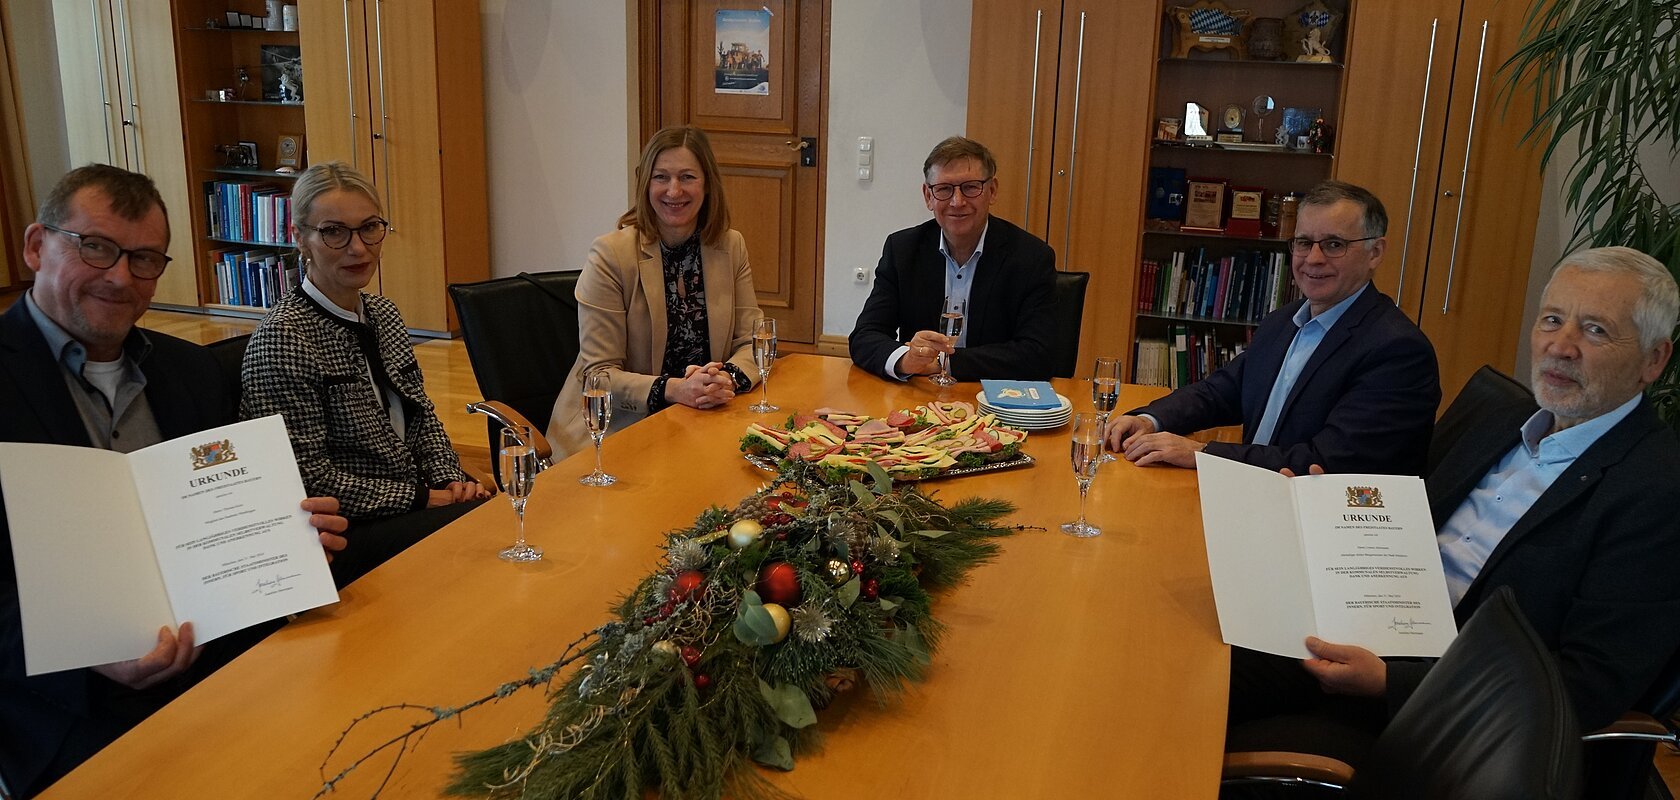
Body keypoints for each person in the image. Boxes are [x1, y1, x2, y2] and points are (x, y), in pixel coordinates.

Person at [1229, 247, 1680, 781]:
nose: (1560, 347)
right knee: (1181, 654)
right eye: (1552, 320)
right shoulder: (1504, 417)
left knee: (1200, 735)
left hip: (1450, 722)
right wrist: (1323, 509)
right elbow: (1409, 519)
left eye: (1596, 331)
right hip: (1364, 624)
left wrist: (1388, 683)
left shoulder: (1657, 490)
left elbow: (1585, 686)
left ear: (1654, 360)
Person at [0, 164, 349, 798]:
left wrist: (287, 535)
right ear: (35, 245)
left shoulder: (194, 370)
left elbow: (222, 514)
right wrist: (88, 656)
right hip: (67, 703)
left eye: (144, 259)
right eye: (96, 247)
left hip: (223, 660)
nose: (119, 277)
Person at [241, 162, 489, 586]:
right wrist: (425, 497)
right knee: (482, 534)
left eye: (369, 227)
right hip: (344, 529)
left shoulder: (383, 314)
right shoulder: (282, 339)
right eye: (334, 232)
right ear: (299, 238)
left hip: (413, 491)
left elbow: (420, 415)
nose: (358, 248)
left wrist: (449, 474)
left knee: (493, 510)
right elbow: (307, 477)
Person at [1105, 181, 1439, 475]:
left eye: (1334, 244)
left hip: (1321, 523)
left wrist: (1203, 453)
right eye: (1304, 242)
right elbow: (1222, 391)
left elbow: (1325, 463)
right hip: (1254, 493)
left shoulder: (1396, 351)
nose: (1314, 258)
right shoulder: (1285, 320)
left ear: (1375, 252)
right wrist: (1151, 419)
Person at [545, 125, 763, 460]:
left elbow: (753, 341)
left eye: (688, 177)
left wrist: (725, 379)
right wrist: (677, 389)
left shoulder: (730, 245)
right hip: (620, 429)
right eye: (661, 177)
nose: (674, 191)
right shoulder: (610, 254)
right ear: (645, 183)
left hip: (702, 420)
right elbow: (599, 375)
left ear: (707, 184)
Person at [848, 136, 1057, 382]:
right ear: (928, 196)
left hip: (992, 401)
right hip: (919, 399)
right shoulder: (903, 250)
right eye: (944, 189)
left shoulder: (1031, 257)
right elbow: (864, 335)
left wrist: (942, 362)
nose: (957, 202)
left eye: (970, 187)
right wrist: (906, 360)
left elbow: (1038, 355)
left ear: (992, 191)